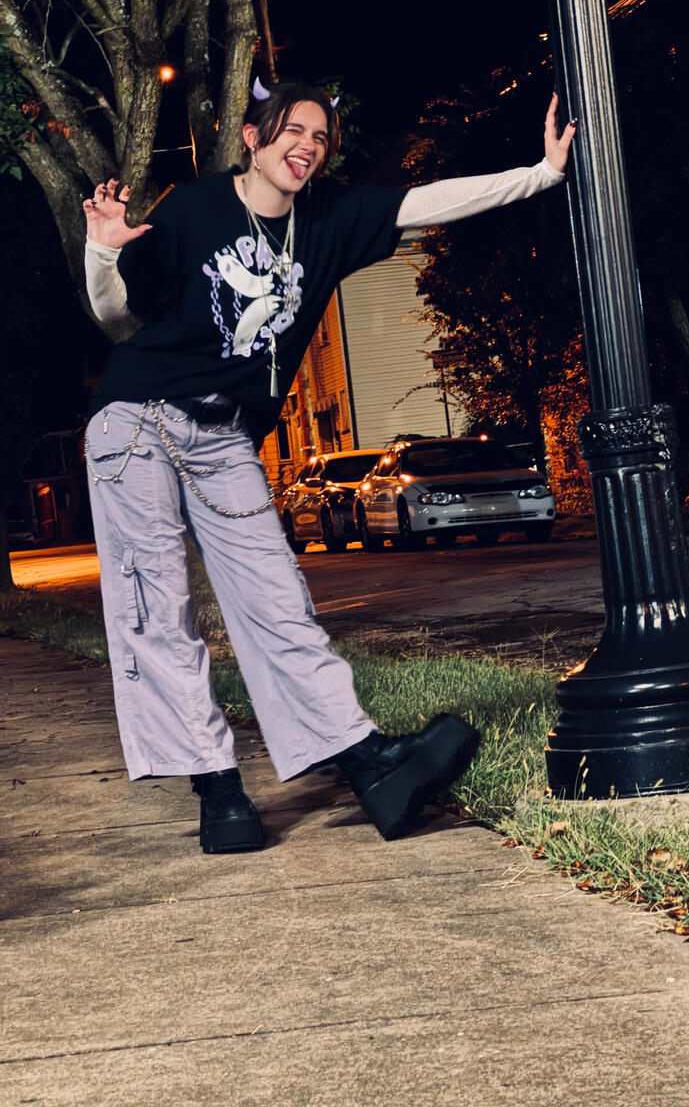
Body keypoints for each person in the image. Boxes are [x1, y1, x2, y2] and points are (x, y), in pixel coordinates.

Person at [82, 79, 576, 853]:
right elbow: (116, 312)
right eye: (293, 129)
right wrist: (103, 249)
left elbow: (428, 201)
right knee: (156, 607)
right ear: (253, 137)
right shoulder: (193, 208)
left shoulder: (329, 218)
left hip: (225, 437)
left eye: (319, 136)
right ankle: (218, 791)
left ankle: (370, 765)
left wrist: (539, 175)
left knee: (278, 601)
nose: (307, 145)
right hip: (136, 416)